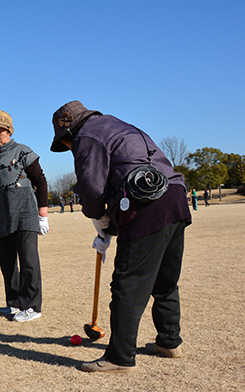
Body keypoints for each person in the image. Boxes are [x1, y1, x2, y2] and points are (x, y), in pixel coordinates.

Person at [50, 100, 192, 373]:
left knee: (128, 283)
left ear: (68, 133)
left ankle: (120, 357)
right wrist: (110, 226)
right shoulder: (117, 125)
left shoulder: (86, 136)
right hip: (174, 196)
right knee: (164, 279)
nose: (69, 148)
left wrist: (99, 219)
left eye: (65, 144)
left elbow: (91, 188)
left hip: (144, 204)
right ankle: (169, 341)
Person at [0, 110, 49, 322]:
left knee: (28, 262)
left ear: (8, 131)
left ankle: (33, 306)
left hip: (25, 215)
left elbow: (41, 182)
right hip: (0, 219)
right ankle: (14, 303)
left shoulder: (23, 152)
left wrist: (42, 214)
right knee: (7, 263)